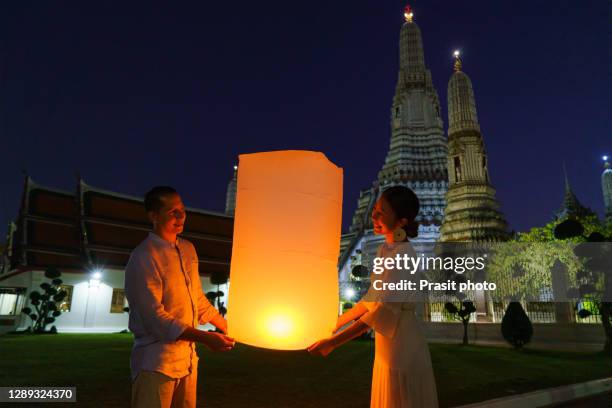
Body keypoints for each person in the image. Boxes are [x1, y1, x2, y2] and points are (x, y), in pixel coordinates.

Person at [308, 186, 439, 408]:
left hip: (403, 345)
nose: (374, 216)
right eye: (375, 210)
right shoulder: (385, 250)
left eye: (382, 212)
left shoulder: (403, 255)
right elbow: (371, 299)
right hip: (387, 346)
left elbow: (381, 311)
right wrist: (334, 324)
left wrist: (334, 342)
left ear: (401, 222)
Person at [125, 186, 235, 408]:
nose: (180, 216)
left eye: (182, 210)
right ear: (153, 216)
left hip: (187, 362)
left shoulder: (187, 249)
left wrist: (230, 326)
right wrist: (206, 338)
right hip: (156, 362)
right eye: (172, 211)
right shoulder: (144, 257)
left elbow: (198, 301)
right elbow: (156, 320)